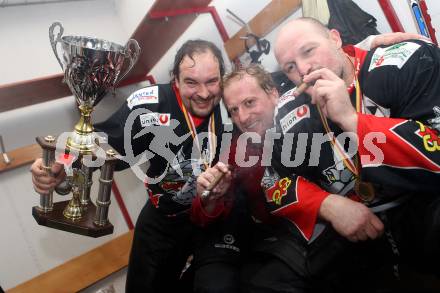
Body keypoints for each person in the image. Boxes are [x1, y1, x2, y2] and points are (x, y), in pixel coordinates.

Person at [193, 24, 440, 291]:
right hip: (301, 231)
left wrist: (351, 119)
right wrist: (327, 204)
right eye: (233, 110)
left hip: (416, 201)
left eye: (250, 103)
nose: (302, 69)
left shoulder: (402, 64)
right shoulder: (255, 136)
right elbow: (269, 185)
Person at [31, 39, 233, 292]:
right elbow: (106, 143)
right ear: (175, 80)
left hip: (220, 220)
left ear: (222, 78)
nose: (204, 93)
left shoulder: (234, 101)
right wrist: (62, 167)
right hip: (165, 219)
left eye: (212, 81)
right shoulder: (149, 102)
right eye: (191, 82)